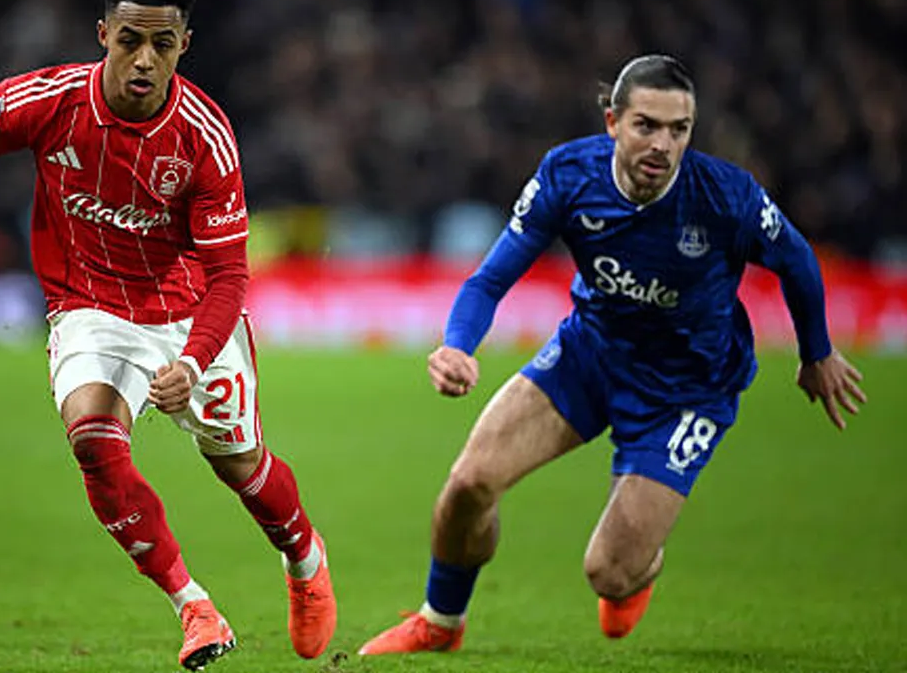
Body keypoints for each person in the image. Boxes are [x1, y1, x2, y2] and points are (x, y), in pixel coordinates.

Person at [0, 0, 336, 670]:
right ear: (103, 33)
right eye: (129, 41)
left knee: (240, 466)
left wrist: (193, 360)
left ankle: (304, 558)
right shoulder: (48, 101)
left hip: (189, 312)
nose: (144, 61)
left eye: (161, 45)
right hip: (91, 307)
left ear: (183, 45)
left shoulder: (203, 136)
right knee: (93, 437)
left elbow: (230, 275)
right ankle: (194, 607)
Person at [359, 54, 868, 655]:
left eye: (678, 129)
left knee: (608, 573)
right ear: (613, 122)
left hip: (687, 390)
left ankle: (638, 566)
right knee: (469, 483)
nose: (662, 145)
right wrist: (457, 346)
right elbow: (490, 279)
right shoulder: (569, 175)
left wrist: (817, 353)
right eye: (646, 125)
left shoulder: (725, 197)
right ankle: (441, 622)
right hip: (590, 354)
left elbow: (798, 260)